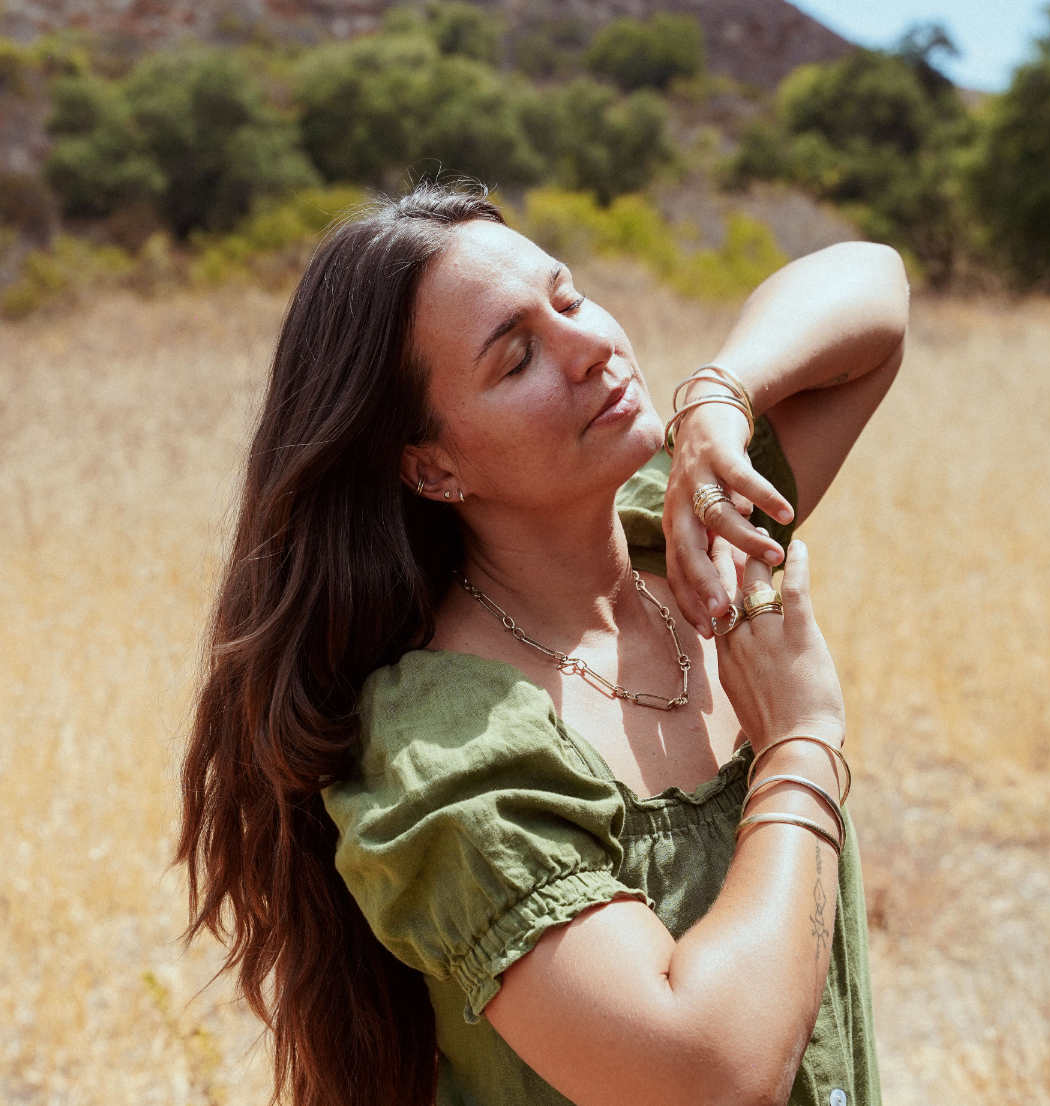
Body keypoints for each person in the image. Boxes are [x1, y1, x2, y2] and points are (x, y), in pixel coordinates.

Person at [177, 181, 908, 1106]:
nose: (592, 344)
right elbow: (705, 1077)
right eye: (518, 356)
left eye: (570, 298)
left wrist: (721, 396)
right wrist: (801, 739)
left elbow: (874, 290)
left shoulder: (676, 526)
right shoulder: (447, 746)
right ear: (431, 465)